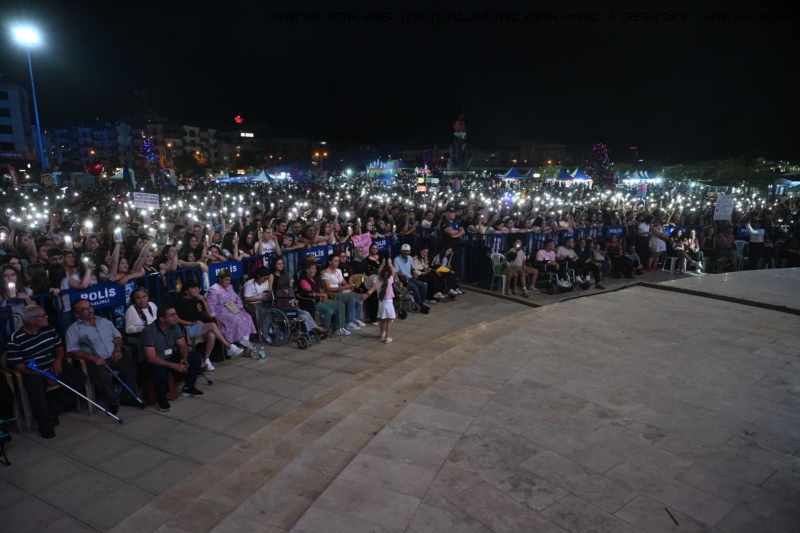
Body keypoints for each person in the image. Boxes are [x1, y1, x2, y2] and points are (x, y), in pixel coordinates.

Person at [7, 305, 86, 438]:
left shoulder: (49, 329)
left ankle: (52, 409)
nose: (47, 317)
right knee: (35, 390)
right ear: (32, 321)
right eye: (43, 316)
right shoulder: (16, 338)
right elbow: (19, 367)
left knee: (78, 378)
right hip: (32, 372)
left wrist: (57, 361)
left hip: (52, 364)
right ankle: (45, 424)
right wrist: (45, 375)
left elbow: (59, 349)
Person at [66, 299, 138, 415]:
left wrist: (118, 349)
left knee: (130, 366)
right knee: (101, 375)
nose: (90, 310)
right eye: (84, 309)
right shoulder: (73, 329)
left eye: (90, 307)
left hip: (114, 355)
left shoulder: (104, 321)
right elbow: (73, 350)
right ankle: (113, 402)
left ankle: (126, 397)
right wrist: (93, 358)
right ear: (77, 314)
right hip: (94, 360)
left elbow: (117, 337)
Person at [139, 305, 203, 412]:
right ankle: (161, 399)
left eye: (175, 314)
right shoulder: (149, 331)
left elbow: (182, 345)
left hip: (168, 356)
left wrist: (184, 358)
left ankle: (188, 387)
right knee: (160, 370)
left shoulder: (174, 326)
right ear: (162, 319)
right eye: (172, 315)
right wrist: (175, 366)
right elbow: (151, 358)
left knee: (195, 357)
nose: (176, 317)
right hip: (150, 362)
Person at [174, 278, 244, 369]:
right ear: (186, 291)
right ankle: (228, 346)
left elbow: (209, 315)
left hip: (201, 327)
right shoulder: (179, 302)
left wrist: (203, 301)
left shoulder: (198, 299)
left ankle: (206, 359)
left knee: (211, 335)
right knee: (212, 325)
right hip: (187, 329)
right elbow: (175, 319)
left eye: (197, 287)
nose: (197, 290)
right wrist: (191, 323)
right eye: (193, 288)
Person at [206, 269, 257, 352]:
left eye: (229, 280)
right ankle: (240, 340)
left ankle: (245, 342)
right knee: (237, 319)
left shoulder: (230, 287)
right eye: (226, 280)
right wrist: (213, 315)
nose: (228, 282)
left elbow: (236, 298)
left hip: (232, 308)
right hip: (221, 312)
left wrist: (240, 307)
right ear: (220, 279)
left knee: (247, 316)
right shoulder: (214, 289)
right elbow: (210, 304)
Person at [298, 261, 348, 336]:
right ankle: (323, 330)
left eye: (315, 269)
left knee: (340, 305)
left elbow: (319, 289)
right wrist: (321, 295)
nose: (315, 270)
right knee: (329, 311)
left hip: (321, 300)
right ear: (307, 270)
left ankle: (339, 328)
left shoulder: (315, 280)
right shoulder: (303, 281)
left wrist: (323, 293)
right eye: (313, 269)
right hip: (313, 302)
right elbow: (309, 293)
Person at [321, 254, 365, 329]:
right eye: (335, 261)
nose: (337, 262)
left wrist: (349, 286)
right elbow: (328, 288)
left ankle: (357, 319)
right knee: (352, 298)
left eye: (338, 261)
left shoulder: (338, 270)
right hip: (334, 294)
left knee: (360, 297)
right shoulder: (325, 273)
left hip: (342, 291)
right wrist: (343, 287)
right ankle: (350, 322)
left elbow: (344, 282)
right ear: (330, 262)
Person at [362, 259, 396, 343]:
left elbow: (380, 272)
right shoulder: (390, 280)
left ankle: (382, 333)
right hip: (388, 303)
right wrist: (390, 264)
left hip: (381, 302)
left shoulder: (377, 279)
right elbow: (393, 272)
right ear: (388, 273)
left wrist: (383, 264)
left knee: (382, 320)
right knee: (389, 321)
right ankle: (387, 338)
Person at [393, 244, 431, 312]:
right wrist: (404, 275)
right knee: (414, 288)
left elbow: (413, 268)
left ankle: (421, 303)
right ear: (400, 251)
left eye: (407, 251)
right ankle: (420, 305)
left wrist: (414, 273)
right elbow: (395, 272)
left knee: (424, 285)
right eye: (404, 251)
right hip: (402, 280)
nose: (406, 252)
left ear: (410, 252)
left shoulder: (410, 258)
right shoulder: (396, 259)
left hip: (410, 278)